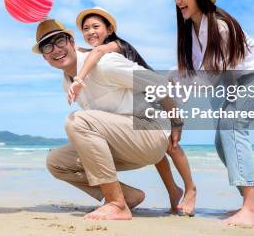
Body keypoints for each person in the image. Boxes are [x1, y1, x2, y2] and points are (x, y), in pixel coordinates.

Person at [162, 0, 254, 226]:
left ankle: (251, 209)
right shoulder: (193, 31)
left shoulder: (219, 27)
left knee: (232, 125)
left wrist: (177, 113)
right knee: (222, 139)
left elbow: (206, 79)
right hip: (238, 81)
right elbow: (193, 73)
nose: (178, 1)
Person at [33, 19, 182, 220]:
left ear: (71, 41)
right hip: (124, 141)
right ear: (44, 57)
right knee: (56, 162)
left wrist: (177, 122)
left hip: (148, 133)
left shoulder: (105, 64)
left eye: (59, 41)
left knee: (77, 121)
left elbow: (159, 83)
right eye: (47, 47)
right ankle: (127, 196)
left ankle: (116, 204)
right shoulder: (66, 82)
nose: (55, 50)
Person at [67, 7, 197, 215]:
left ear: (109, 29)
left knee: (171, 146)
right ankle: (173, 191)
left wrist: (80, 78)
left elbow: (97, 53)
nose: (90, 32)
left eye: (95, 27)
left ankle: (190, 189)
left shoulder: (114, 45)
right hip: (136, 103)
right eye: (86, 28)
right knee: (159, 152)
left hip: (154, 98)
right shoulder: (98, 51)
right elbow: (87, 53)